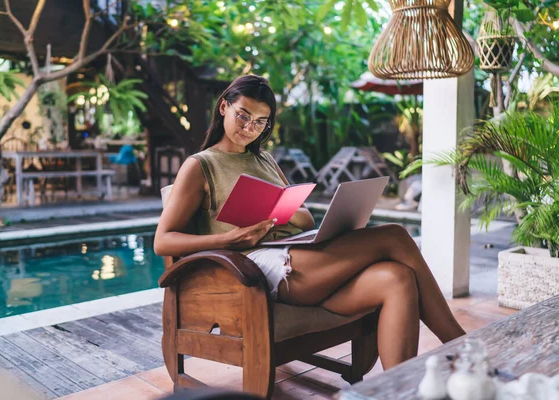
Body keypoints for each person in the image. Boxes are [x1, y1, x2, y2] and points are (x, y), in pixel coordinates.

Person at [154, 75, 466, 370]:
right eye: (243, 116)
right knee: (395, 236)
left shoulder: (265, 159)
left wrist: (276, 215)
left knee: (397, 277)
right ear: (224, 107)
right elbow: (163, 241)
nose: (250, 128)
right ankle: (461, 344)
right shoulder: (200, 165)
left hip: (295, 252)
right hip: (256, 265)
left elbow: (303, 215)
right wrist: (228, 240)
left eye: (261, 122)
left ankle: (398, 390)